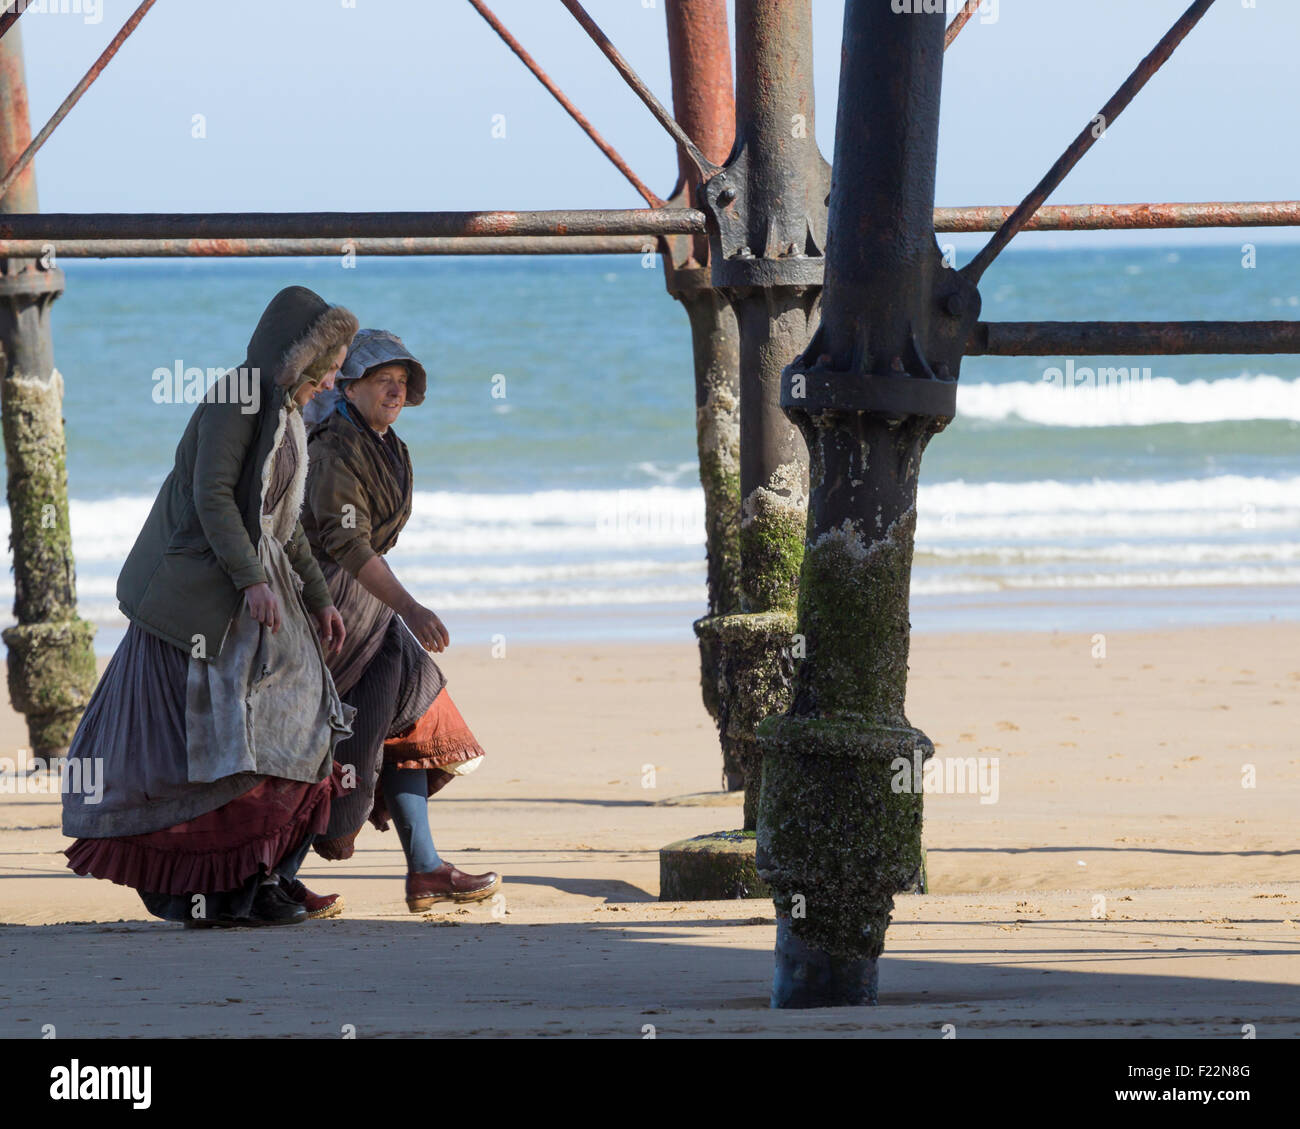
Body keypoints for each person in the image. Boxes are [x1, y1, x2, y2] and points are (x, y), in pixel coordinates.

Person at [62, 286, 359, 928]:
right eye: (330, 358)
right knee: (212, 749)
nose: (336, 372)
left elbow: (285, 523)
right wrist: (253, 582)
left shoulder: (285, 414)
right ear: (298, 352)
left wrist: (316, 595)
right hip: (204, 599)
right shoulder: (237, 396)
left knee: (301, 728)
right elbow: (214, 496)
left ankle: (269, 875)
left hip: (262, 588)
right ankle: (221, 889)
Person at [301, 328, 500, 912]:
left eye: (401, 383)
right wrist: (411, 609)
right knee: (341, 738)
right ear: (349, 385)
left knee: (415, 716)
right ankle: (279, 874)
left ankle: (427, 869)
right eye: (382, 381)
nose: (394, 391)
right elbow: (347, 543)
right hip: (328, 609)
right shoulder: (334, 444)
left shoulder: (387, 444)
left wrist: (398, 609)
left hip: (366, 605)